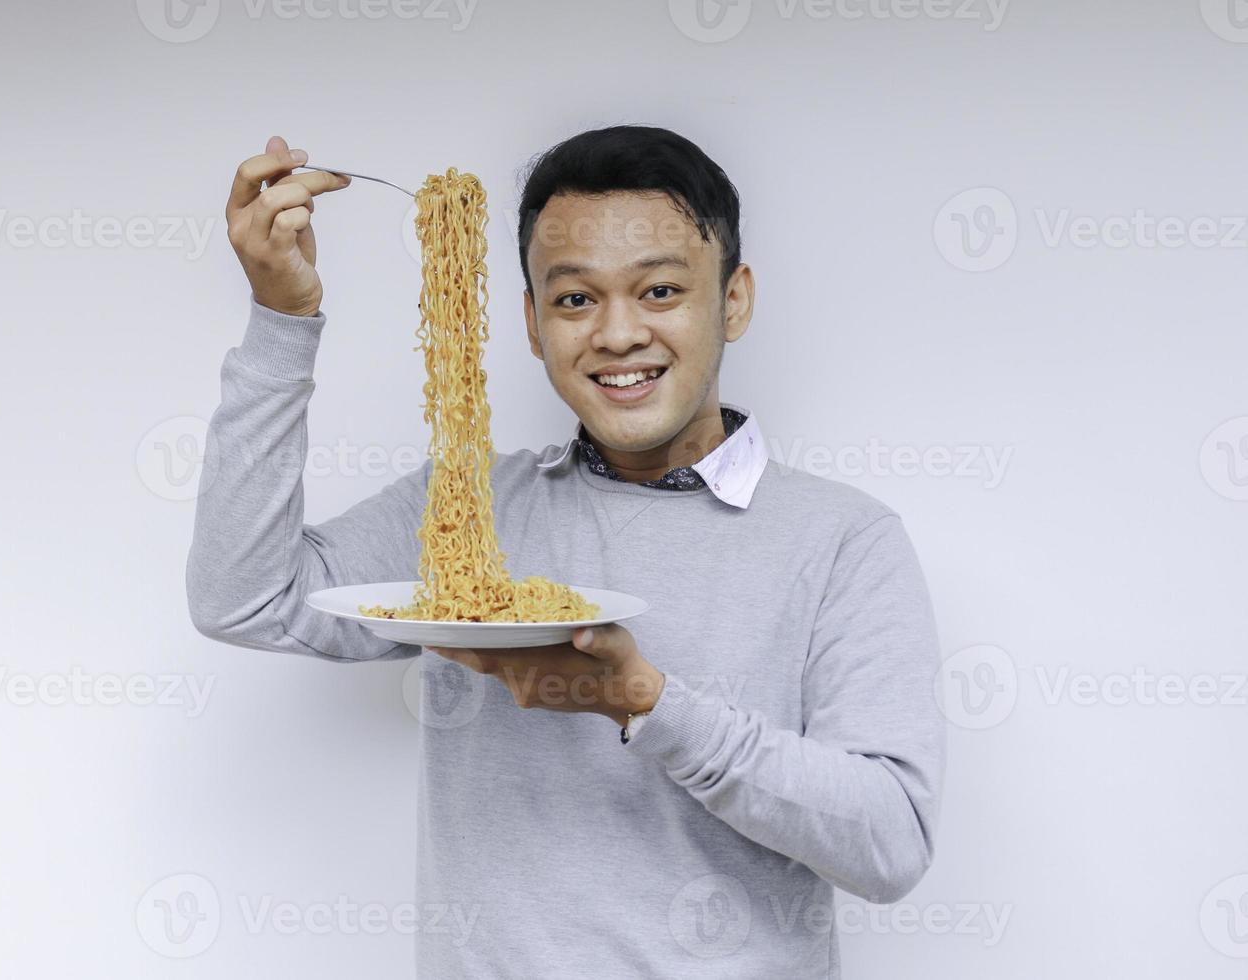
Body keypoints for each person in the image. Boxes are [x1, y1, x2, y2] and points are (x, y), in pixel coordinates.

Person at [187, 125, 946, 978]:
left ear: (733, 299)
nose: (618, 335)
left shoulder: (843, 541)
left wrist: (647, 705)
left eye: (660, 290)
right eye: (576, 299)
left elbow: (890, 843)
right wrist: (282, 321)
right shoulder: (465, 509)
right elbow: (243, 597)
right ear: (531, 321)